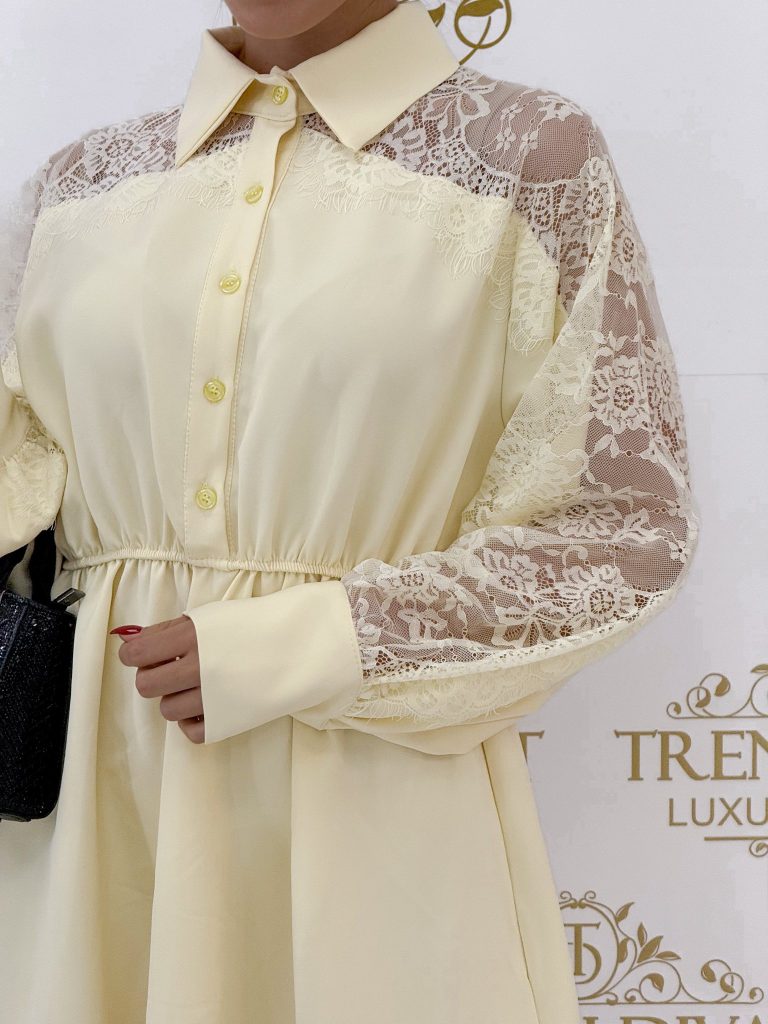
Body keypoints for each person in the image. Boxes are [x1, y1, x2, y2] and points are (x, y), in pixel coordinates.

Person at [0, 0, 700, 1021]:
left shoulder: (527, 157)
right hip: (100, 808)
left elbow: (624, 528)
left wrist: (322, 641)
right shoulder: (80, 187)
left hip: (371, 798)